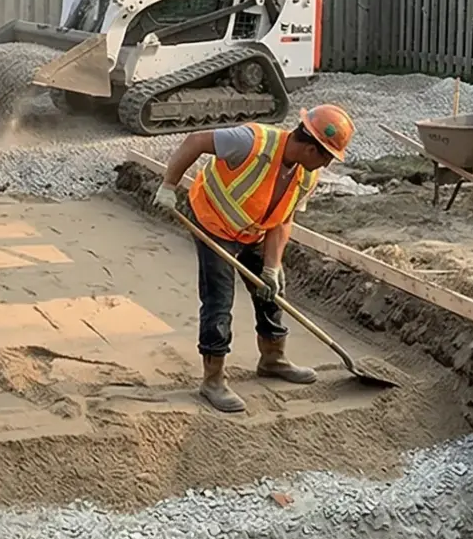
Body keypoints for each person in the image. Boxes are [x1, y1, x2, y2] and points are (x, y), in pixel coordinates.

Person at [150, 105, 355, 413]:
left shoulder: (306, 175)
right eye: (327, 156)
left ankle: (273, 359)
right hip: (213, 223)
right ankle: (213, 380)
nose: (327, 164)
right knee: (219, 301)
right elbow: (196, 141)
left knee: (271, 292)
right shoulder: (251, 142)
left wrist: (272, 267)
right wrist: (169, 185)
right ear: (311, 148)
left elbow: (283, 220)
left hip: (252, 232)